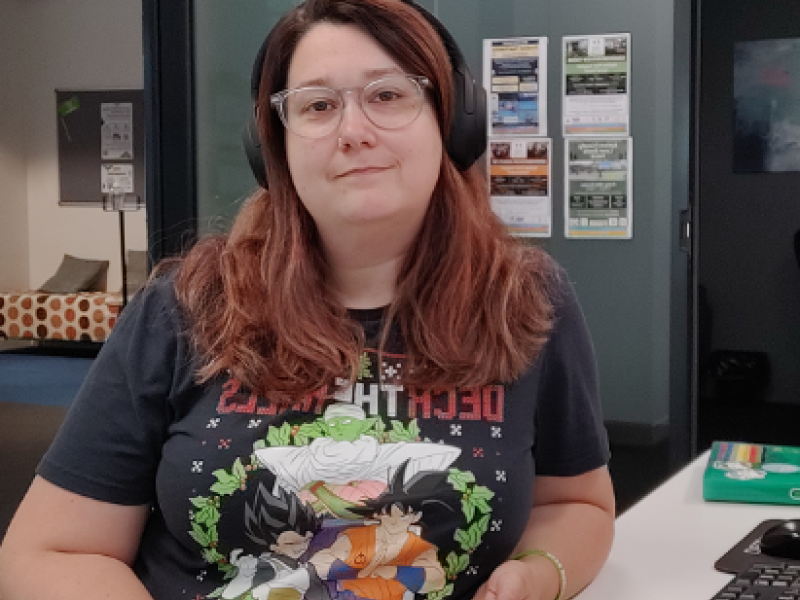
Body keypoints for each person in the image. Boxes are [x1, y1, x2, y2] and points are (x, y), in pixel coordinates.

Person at [0, 1, 615, 600]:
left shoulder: (523, 301)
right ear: (276, 147)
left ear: (452, 123)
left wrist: (540, 573)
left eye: (388, 94)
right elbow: (50, 552)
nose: (353, 131)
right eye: (318, 105)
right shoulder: (186, 307)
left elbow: (576, 502)